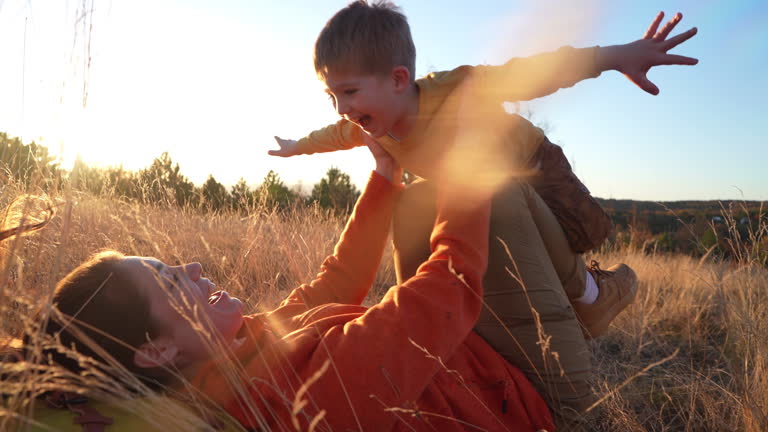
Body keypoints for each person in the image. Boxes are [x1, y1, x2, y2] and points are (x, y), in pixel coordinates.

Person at [267, 1, 696, 425]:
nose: (342, 109)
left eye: (349, 92)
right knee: (418, 206)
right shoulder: (367, 123)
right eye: (331, 95)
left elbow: (534, 72)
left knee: (562, 238)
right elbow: (332, 135)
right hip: (474, 192)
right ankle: (430, 326)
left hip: (536, 170)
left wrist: (618, 56)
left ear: (399, 79)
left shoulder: (453, 90)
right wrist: (295, 147)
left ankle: (594, 294)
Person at [4, 142, 558, 431]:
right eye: (173, 283)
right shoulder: (292, 399)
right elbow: (446, 292)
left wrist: (384, 176)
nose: (195, 269)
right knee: (501, 191)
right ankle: (590, 295)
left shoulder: (238, 352)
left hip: (467, 357)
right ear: (158, 349)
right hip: (520, 395)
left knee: (418, 199)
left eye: (175, 265)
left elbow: (332, 284)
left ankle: (589, 287)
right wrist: (469, 167)